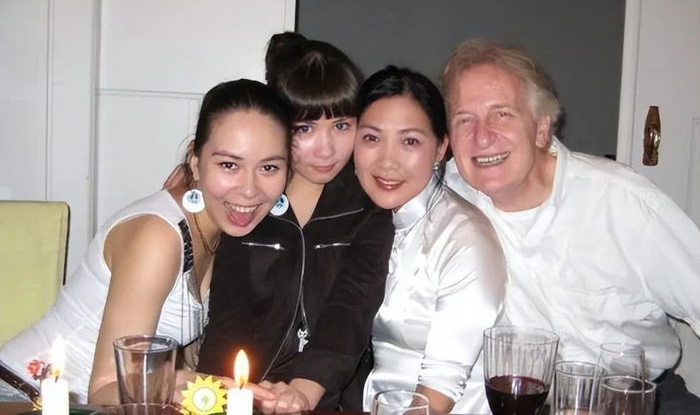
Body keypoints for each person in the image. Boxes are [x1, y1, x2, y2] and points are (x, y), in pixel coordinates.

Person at [441, 39, 700, 413]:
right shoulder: (448, 201)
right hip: (525, 402)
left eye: (501, 114)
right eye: (465, 119)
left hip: (634, 399)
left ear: (542, 128)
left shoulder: (620, 201)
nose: (481, 136)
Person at [0, 79, 292, 404]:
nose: (249, 190)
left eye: (268, 167)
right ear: (196, 163)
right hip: (19, 395)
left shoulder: (226, 230)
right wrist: (192, 383)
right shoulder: (159, 236)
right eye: (229, 165)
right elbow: (106, 387)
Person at [196, 34, 395, 412]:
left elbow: (350, 312)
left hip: (330, 398)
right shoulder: (249, 201)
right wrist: (224, 397)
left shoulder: (368, 207)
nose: (326, 149)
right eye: (306, 128)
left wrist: (304, 390)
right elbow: (228, 316)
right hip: (241, 393)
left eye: (341, 125)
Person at [352, 65, 506, 414]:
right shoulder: (358, 220)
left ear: (440, 149)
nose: (387, 161)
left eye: (409, 141)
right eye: (372, 138)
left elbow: (440, 386)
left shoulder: (464, 239)